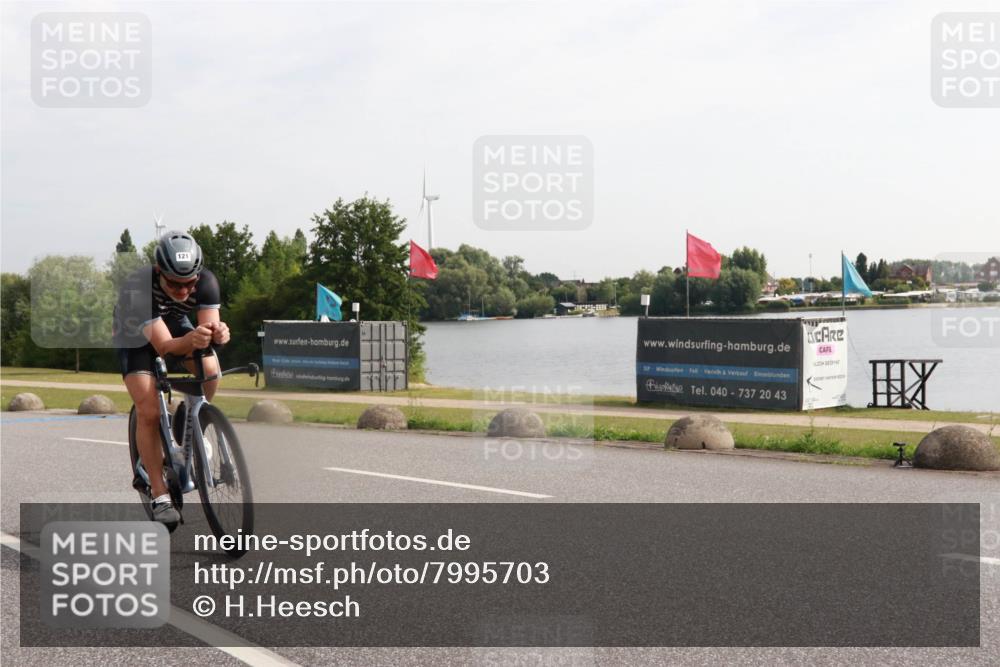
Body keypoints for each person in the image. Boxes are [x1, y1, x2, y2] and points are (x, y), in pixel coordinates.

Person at [113, 231, 230, 530]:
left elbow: (206, 335)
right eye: (175, 284)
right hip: (135, 334)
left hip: (173, 322)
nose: (183, 290)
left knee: (211, 367)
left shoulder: (207, 282)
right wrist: (193, 338)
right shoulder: (138, 287)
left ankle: (191, 419)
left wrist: (217, 335)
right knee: (150, 409)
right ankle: (160, 494)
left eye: (189, 283)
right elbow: (164, 347)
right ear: (158, 271)